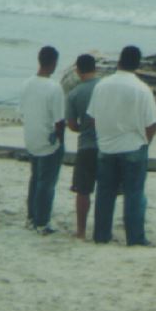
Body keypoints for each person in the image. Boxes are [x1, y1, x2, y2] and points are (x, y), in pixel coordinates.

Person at [87, 45, 156, 246]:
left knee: (105, 193)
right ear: (138, 65)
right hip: (133, 146)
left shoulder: (102, 85)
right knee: (134, 194)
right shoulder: (142, 89)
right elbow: (152, 123)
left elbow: (92, 118)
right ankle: (135, 238)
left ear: (119, 61)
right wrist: (145, 142)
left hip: (107, 145)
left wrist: (103, 136)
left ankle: (101, 235)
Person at [21, 45, 66, 235]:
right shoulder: (54, 88)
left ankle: (31, 217)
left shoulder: (27, 83)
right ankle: (42, 222)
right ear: (54, 63)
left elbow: (22, 112)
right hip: (47, 141)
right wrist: (60, 142)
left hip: (31, 137)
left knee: (35, 178)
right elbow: (59, 121)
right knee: (46, 182)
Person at [65, 53, 102, 239]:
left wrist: (83, 128)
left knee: (82, 191)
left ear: (78, 71)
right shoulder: (104, 87)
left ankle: (81, 230)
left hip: (86, 145)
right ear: (95, 68)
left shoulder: (74, 94)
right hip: (107, 145)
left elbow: (71, 124)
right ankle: (102, 229)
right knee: (106, 189)